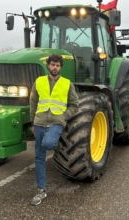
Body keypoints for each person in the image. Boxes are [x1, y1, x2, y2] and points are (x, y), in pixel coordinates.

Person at [29, 53, 79, 206]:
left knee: (49, 144)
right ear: (48, 66)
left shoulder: (66, 83)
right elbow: (33, 102)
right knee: (39, 157)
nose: (55, 67)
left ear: (60, 67)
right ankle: (41, 190)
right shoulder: (39, 82)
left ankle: (55, 143)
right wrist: (32, 122)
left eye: (58, 65)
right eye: (53, 65)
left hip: (56, 122)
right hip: (39, 123)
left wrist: (64, 117)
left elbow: (74, 105)